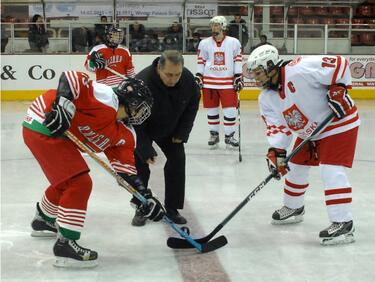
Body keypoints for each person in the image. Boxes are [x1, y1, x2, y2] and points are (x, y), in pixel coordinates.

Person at [22, 71, 164, 268]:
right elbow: (71, 77)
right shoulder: (106, 97)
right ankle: (66, 246)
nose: (142, 114)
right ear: (131, 103)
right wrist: (63, 104)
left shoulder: (126, 134)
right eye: (141, 108)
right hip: (46, 121)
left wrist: (143, 197)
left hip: (61, 136)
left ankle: (43, 219)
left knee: (67, 180)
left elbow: (126, 173)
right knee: (79, 183)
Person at [246, 45, 360, 245]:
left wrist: (338, 89)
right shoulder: (266, 98)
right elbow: (277, 127)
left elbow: (339, 64)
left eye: (258, 73)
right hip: (309, 132)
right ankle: (294, 207)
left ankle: (343, 222)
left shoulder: (299, 69)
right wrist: (277, 152)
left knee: (330, 170)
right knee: (296, 167)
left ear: (270, 66)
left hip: (337, 123)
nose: (255, 78)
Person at [131, 50, 200, 226]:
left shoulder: (188, 80)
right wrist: (144, 147)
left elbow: (192, 105)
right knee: (140, 165)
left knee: (177, 160)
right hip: (143, 128)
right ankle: (141, 206)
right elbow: (133, 121)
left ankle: (172, 208)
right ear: (159, 69)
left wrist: (182, 132)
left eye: (177, 74)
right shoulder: (142, 82)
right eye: (169, 75)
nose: (173, 79)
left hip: (171, 128)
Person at [195, 16, 244, 149]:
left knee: (230, 111)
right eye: (212, 25)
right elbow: (201, 60)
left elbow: (238, 60)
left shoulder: (234, 42)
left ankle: (229, 136)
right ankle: (214, 134)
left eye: (217, 25)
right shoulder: (204, 43)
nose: (214, 27)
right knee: (212, 111)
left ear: (223, 26)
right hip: (209, 83)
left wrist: (238, 76)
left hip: (227, 83)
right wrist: (199, 75)